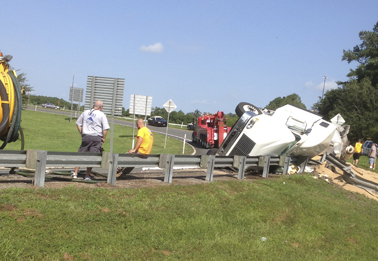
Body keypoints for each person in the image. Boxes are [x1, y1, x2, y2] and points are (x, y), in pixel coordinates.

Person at [71, 100, 110, 180]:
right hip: (96, 137)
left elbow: (78, 123)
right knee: (92, 156)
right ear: (101, 107)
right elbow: (105, 129)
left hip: (86, 136)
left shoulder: (85, 112)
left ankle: (75, 173)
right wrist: (104, 138)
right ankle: (87, 176)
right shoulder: (102, 115)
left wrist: (82, 133)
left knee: (81, 154)